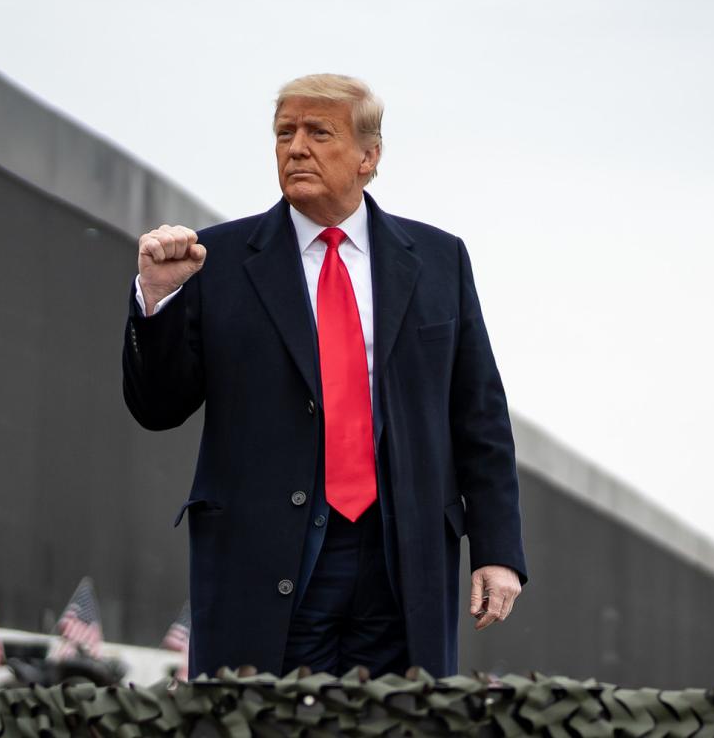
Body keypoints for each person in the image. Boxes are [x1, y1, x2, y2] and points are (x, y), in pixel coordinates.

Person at [122, 74, 526, 678]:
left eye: (319, 132)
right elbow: (157, 407)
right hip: (263, 556)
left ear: (369, 156)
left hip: (404, 556)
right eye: (284, 132)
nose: (296, 148)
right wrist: (156, 300)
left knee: (400, 719)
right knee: (264, 719)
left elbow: (479, 414)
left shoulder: (440, 260)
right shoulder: (215, 259)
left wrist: (497, 550)